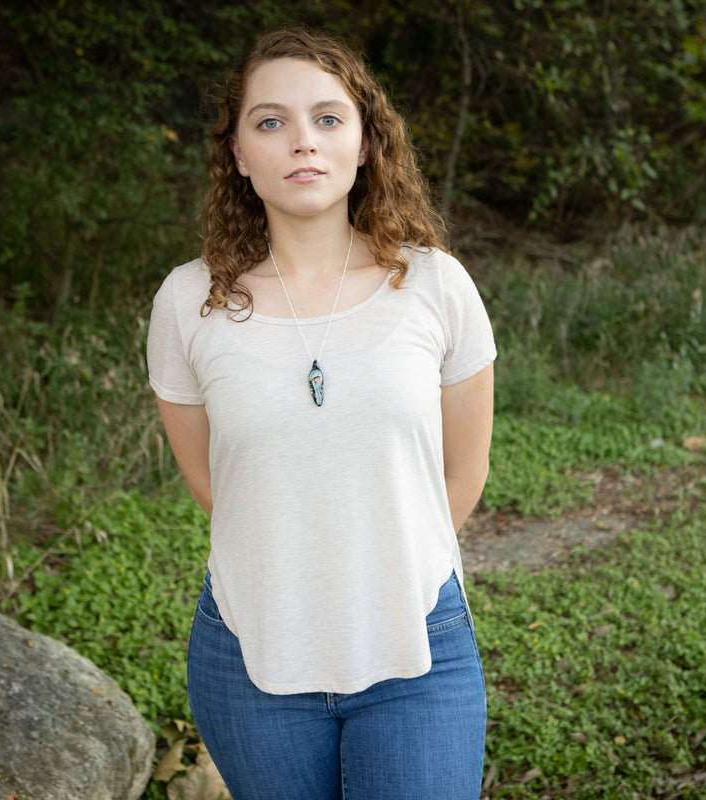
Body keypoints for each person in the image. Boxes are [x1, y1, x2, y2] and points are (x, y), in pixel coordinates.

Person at [146, 27, 495, 800]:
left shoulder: (436, 285)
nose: (302, 141)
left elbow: (463, 470)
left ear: (367, 141)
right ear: (238, 154)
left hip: (416, 643)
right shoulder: (188, 301)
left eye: (328, 118)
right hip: (251, 651)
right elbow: (212, 479)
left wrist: (382, 574)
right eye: (270, 122)